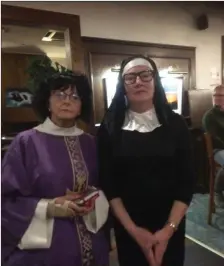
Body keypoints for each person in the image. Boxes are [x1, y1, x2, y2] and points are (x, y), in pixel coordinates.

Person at [2, 69, 109, 266]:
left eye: (75, 96)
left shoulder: (90, 142)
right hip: (45, 249)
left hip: (91, 242)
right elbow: (6, 199)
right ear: (47, 102)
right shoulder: (26, 142)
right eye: (59, 95)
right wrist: (49, 207)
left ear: (81, 105)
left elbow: (103, 186)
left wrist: (92, 198)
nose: (67, 101)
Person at [97, 55, 195, 266]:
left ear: (155, 81)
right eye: (130, 77)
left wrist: (167, 231)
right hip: (129, 226)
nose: (138, 81)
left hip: (170, 224)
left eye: (145, 75)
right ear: (122, 85)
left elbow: (186, 181)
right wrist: (133, 231)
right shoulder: (110, 127)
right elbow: (109, 184)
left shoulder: (176, 124)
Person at [203, 85, 224, 208]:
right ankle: (217, 190)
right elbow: (216, 139)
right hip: (217, 150)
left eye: (222, 96)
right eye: (216, 96)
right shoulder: (210, 116)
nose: (219, 98)